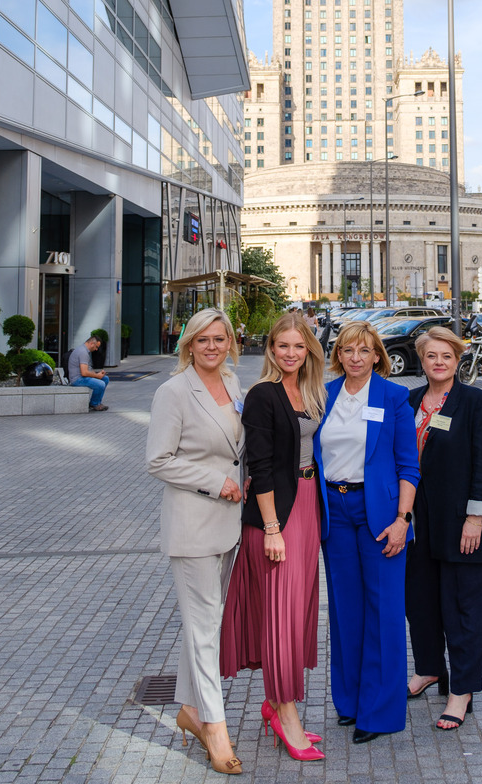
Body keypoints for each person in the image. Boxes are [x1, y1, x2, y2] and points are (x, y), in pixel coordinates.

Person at [220, 312, 327, 763]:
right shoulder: (263, 394)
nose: (290, 353)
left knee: (297, 609)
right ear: (270, 349)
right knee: (281, 615)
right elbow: (259, 466)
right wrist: (271, 529)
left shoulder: (312, 390)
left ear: (309, 350)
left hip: (309, 504)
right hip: (277, 514)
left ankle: (275, 705)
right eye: (283, 345)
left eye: (299, 346)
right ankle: (286, 716)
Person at [146, 309, 245, 775]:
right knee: (205, 630)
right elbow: (158, 460)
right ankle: (214, 727)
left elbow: (238, 450)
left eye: (219, 339)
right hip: (193, 526)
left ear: (230, 343)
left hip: (229, 523)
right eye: (202, 339)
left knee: (205, 625)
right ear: (188, 344)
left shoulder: (233, 383)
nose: (211, 347)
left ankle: (188, 708)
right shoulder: (173, 392)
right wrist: (215, 482)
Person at [314, 321, 420, 744]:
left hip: (381, 515)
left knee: (384, 612)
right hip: (334, 510)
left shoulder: (394, 397)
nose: (355, 358)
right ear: (337, 355)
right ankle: (351, 702)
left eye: (364, 351)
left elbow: (408, 465)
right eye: (347, 350)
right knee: (345, 610)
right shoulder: (323, 395)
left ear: (378, 355)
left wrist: (402, 520)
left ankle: (379, 712)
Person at [405, 325, 482, 731]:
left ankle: (461, 690)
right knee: (421, 603)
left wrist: (476, 518)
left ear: (458, 359)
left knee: (463, 610)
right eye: (431, 355)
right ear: (421, 360)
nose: (439, 362)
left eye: (446, 355)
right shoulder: (409, 401)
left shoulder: (477, 403)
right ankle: (429, 669)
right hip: (417, 524)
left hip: (462, 524)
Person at [67, 335, 108, 411]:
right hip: (77, 380)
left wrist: (98, 374)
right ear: (92, 343)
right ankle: (95, 404)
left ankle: (97, 402)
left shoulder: (84, 351)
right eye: (96, 347)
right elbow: (84, 373)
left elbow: (88, 370)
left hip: (82, 377)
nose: (96, 349)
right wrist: (97, 376)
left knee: (105, 379)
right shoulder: (83, 352)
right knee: (101, 384)